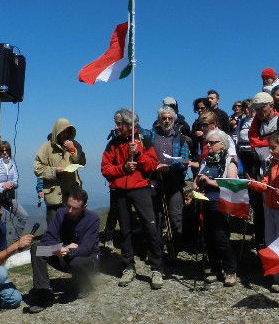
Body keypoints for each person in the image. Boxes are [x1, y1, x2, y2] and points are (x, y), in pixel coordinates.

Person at [101, 109, 164, 289]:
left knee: (150, 227)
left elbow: (152, 166)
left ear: (130, 125)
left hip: (141, 189)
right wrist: (123, 168)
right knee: (125, 230)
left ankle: (156, 268)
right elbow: (105, 169)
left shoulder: (144, 141)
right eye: (116, 123)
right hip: (120, 190)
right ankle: (128, 266)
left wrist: (138, 154)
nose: (116, 126)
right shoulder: (112, 144)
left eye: (120, 123)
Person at [26, 187, 100, 312]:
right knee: (36, 248)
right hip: (63, 253)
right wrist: (61, 248)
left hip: (85, 259)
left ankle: (85, 283)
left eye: (75, 208)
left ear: (84, 206)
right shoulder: (61, 213)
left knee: (76, 261)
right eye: (69, 206)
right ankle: (43, 292)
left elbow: (87, 248)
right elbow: (48, 237)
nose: (70, 211)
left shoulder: (93, 219)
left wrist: (69, 251)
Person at [248, 131, 279, 292]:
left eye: (273, 148)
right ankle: (277, 276)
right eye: (269, 148)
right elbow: (266, 183)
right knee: (272, 241)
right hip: (269, 205)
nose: (270, 151)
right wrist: (253, 184)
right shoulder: (273, 162)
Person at [194, 129, 239, 286]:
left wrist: (209, 181)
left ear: (222, 144)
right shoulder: (206, 161)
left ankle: (230, 270)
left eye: (212, 143)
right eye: (207, 142)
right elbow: (196, 180)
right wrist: (196, 184)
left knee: (221, 237)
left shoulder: (229, 161)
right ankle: (214, 269)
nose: (209, 145)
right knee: (208, 237)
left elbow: (232, 183)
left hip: (221, 202)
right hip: (205, 201)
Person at [148, 106, 191, 248]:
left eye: (170, 118)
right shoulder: (151, 136)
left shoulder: (180, 138)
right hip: (155, 178)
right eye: (164, 118)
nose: (166, 121)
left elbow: (184, 161)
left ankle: (175, 246)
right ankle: (157, 247)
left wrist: (169, 167)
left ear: (174, 119)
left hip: (174, 180)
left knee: (175, 214)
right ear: (159, 119)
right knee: (156, 214)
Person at [34, 119, 86, 227]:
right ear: (56, 131)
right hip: (54, 192)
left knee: (72, 224)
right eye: (62, 131)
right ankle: (54, 242)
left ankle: (71, 243)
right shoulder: (46, 147)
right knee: (54, 225)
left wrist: (72, 150)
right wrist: (54, 171)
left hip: (71, 191)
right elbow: (37, 168)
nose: (65, 134)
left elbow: (81, 162)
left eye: (67, 131)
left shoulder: (74, 145)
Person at [0, 141, 28, 238]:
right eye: (2, 151)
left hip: (8, 197)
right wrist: (2, 186)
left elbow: (16, 181)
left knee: (23, 216)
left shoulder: (12, 163)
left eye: (6, 150)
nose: (4, 152)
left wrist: (11, 184)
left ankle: (15, 242)